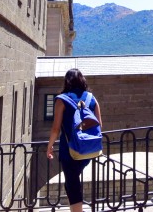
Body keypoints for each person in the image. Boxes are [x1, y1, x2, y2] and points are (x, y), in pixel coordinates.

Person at [46, 68, 103, 212]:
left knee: (72, 183)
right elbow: (99, 124)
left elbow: (55, 128)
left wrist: (50, 146)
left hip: (69, 151)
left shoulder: (62, 100)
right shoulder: (92, 98)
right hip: (88, 149)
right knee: (72, 181)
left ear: (67, 82)